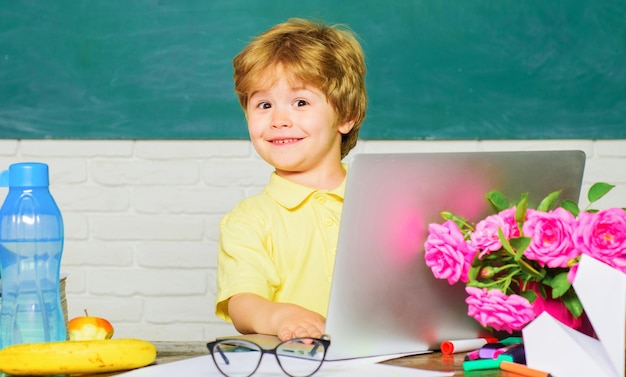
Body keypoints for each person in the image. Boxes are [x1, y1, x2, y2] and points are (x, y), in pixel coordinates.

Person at [215, 18, 367, 341]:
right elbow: (243, 302)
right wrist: (280, 315)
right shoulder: (248, 220)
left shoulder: (380, 199)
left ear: (345, 116)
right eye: (264, 104)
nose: (279, 120)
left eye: (300, 102)